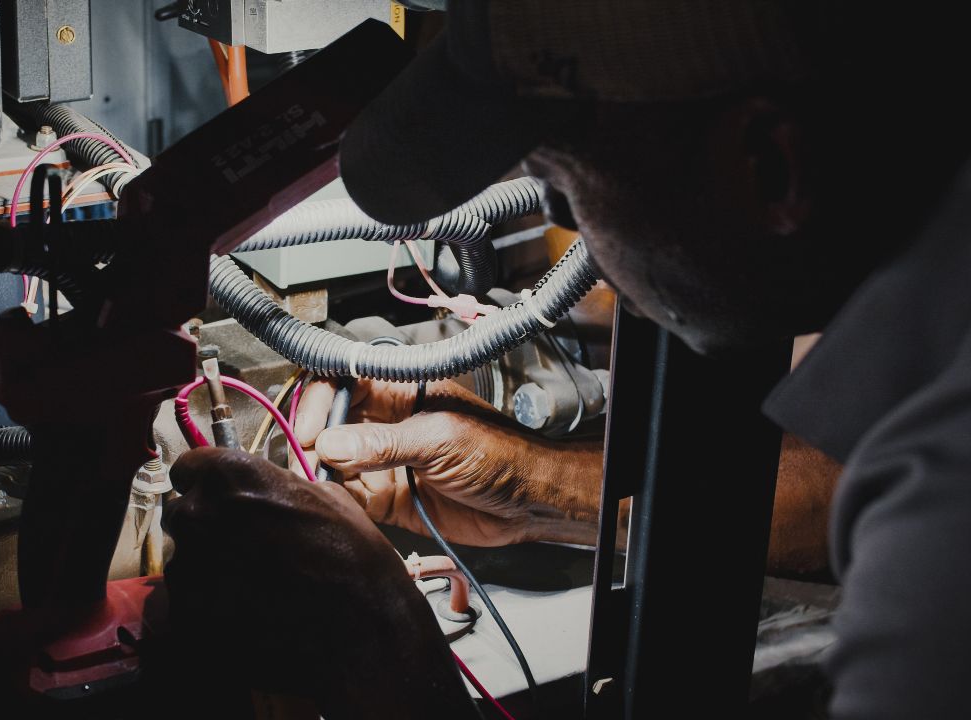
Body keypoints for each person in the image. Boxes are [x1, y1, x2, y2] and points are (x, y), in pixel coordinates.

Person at [162, 3, 971, 718]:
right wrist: (534, 490)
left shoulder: (940, 540)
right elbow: (845, 497)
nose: (564, 229)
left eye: (555, 180)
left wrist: (382, 647)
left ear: (766, 163)